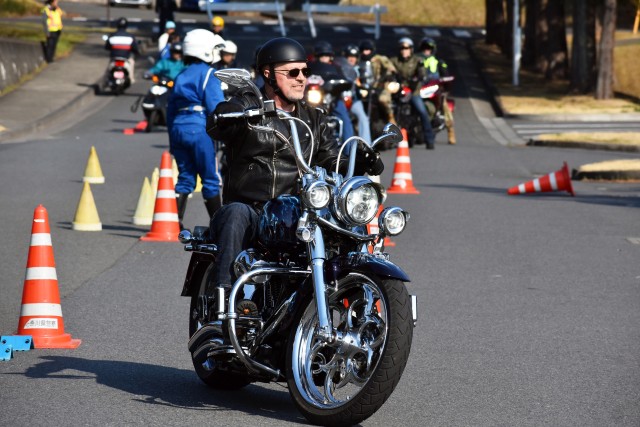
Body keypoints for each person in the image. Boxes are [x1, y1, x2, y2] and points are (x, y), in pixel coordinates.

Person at [205, 37, 383, 294]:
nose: (301, 78)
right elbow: (217, 124)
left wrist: (359, 161)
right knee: (234, 213)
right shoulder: (249, 106)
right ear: (268, 74)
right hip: (253, 210)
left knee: (346, 221)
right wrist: (229, 113)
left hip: (296, 212)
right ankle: (221, 298)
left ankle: (356, 298)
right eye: (292, 72)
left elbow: (332, 159)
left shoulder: (313, 118)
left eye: (305, 71)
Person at [166, 29, 226, 230]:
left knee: (185, 177)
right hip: (199, 128)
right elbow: (216, 107)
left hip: (177, 128)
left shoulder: (181, 75)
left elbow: (170, 109)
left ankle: (174, 222)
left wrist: (172, 139)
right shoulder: (209, 74)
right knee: (210, 178)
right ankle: (218, 224)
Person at [390, 37, 436, 149]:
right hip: (398, 90)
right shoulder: (394, 60)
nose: (404, 50)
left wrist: (420, 77)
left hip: (413, 91)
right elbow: (387, 70)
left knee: (422, 111)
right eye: (402, 48)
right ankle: (386, 139)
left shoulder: (417, 60)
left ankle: (429, 139)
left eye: (406, 48)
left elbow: (422, 72)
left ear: (411, 49)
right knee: (388, 109)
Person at [308, 41, 355, 144]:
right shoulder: (309, 67)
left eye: (327, 55)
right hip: (313, 99)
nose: (324, 58)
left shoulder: (336, 67)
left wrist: (343, 83)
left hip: (332, 99)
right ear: (316, 56)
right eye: (322, 55)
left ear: (331, 56)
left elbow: (345, 79)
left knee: (344, 119)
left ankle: (349, 151)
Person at [419, 37, 456, 145]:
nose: (426, 51)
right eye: (424, 48)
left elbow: (446, 75)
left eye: (429, 49)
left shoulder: (438, 62)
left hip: (434, 88)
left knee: (444, 105)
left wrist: (443, 83)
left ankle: (451, 130)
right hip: (420, 87)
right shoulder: (417, 60)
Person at [334, 43, 371, 144]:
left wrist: (364, 83)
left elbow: (365, 81)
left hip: (353, 99)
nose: (351, 59)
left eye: (354, 57)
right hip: (339, 98)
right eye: (349, 56)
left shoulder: (359, 70)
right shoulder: (338, 67)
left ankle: (366, 145)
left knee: (363, 118)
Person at [358, 39, 397, 126]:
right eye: (364, 50)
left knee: (383, 99)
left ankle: (391, 117)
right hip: (365, 88)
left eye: (367, 50)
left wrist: (387, 75)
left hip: (380, 86)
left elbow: (391, 69)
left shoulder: (380, 59)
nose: (365, 52)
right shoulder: (359, 61)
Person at [105, 17, 140, 83]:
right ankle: (131, 78)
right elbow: (135, 48)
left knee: (109, 68)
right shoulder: (130, 37)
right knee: (132, 62)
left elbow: (107, 47)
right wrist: (137, 53)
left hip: (114, 58)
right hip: (126, 58)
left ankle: (106, 80)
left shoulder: (112, 36)